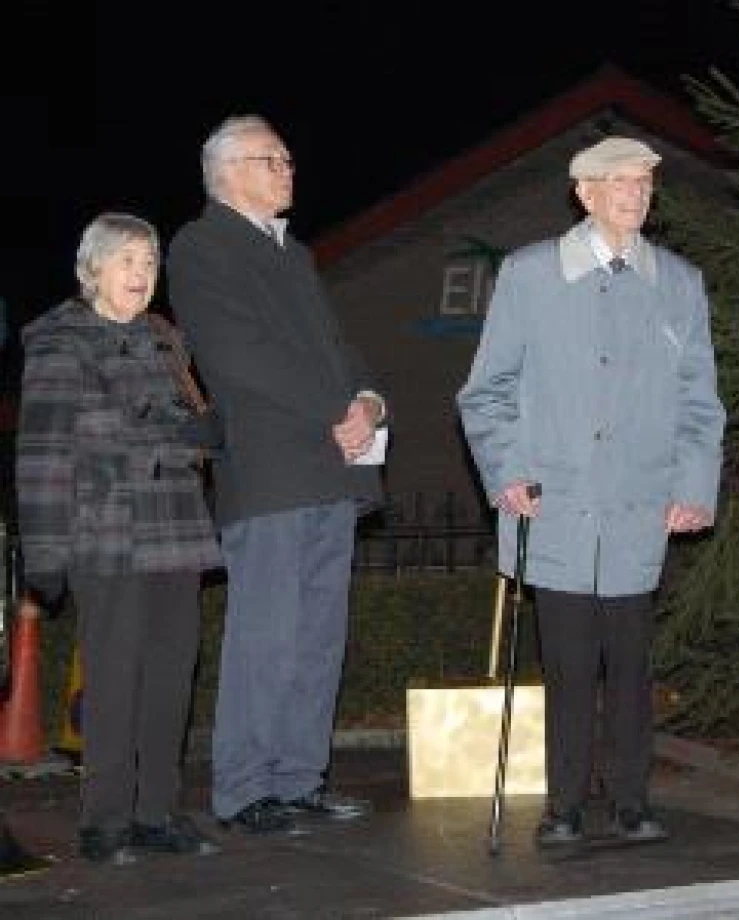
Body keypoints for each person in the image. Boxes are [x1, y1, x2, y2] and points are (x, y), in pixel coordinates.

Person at [457, 136, 725, 847]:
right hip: (557, 502)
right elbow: (485, 393)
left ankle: (633, 799)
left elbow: (701, 399)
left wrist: (695, 484)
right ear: (585, 193)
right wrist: (507, 469)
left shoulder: (678, 282)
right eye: (619, 183)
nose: (635, 195)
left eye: (644, 183)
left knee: (632, 662)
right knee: (570, 660)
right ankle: (564, 804)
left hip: (641, 504)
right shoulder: (531, 274)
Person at [166, 115, 385, 835]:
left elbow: (339, 348)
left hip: (330, 469)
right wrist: (335, 406)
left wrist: (368, 401)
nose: (289, 168)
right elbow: (239, 354)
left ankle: (298, 779)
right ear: (228, 171)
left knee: (320, 635)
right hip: (270, 473)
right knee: (269, 634)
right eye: (273, 158)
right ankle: (244, 788)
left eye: (289, 157)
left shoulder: (296, 255)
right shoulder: (202, 248)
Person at [16, 213, 224, 864]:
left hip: (178, 531)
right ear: (94, 269)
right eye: (128, 260)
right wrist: (44, 552)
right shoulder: (61, 341)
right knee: (114, 678)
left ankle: (158, 812)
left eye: (150, 263)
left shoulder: (165, 339)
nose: (141, 274)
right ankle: (104, 822)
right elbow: (46, 451)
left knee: (171, 675)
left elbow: (198, 424)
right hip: (107, 532)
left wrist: (206, 434)